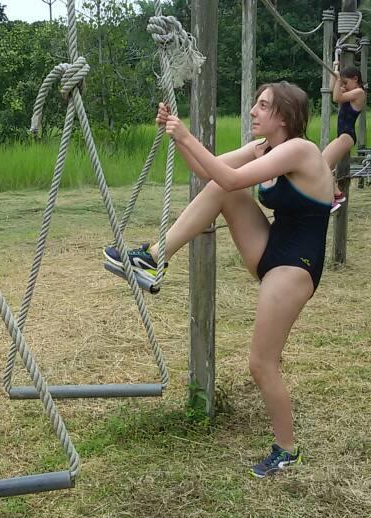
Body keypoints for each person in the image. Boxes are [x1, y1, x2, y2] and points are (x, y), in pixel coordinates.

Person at [103, 81, 334, 478]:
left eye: (262, 106)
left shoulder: (300, 149)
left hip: (295, 265)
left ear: (283, 116)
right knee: (219, 189)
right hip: (269, 247)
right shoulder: (265, 148)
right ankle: (155, 258)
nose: (253, 111)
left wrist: (186, 134)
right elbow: (210, 170)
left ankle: (287, 449)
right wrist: (177, 135)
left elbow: (229, 177)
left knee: (261, 363)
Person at [320, 62, 366, 203]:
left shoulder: (359, 93)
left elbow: (336, 98)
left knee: (323, 164)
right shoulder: (349, 92)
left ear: (355, 79)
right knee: (321, 163)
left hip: (347, 136)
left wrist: (339, 78)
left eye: (346, 82)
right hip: (343, 136)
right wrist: (335, 72)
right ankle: (332, 195)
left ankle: (336, 195)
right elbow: (332, 88)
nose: (344, 86)